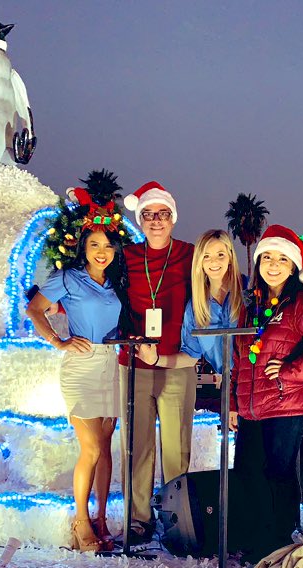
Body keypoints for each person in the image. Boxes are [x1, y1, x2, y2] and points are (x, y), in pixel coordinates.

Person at [229, 225, 303, 561]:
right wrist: (235, 405)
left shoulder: (300, 306)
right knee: (249, 472)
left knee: (277, 475)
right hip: (251, 408)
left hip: (284, 406)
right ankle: (256, 538)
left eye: (282, 259)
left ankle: (277, 541)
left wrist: (292, 373)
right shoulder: (251, 306)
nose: (273, 265)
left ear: (294, 267)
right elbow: (239, 358)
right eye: (267, 257)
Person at [25, 192, 130, 553]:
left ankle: (102, 520)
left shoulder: (118, 283)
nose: (102, 251)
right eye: (95, 244)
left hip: (112, 363)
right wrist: (59, 341)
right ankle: (80, 521)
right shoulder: (67, 278)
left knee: (106, 447)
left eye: (108, 245)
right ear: (83, 246)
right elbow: (34, 309)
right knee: (89, 447)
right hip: (81, 366)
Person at [120, 181, 194, 544]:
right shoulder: (127, 256)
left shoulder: (191, 255)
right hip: (134, 364)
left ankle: (177, 519)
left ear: (173, 218)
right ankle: (138, 520)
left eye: (162, 214)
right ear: (140, 220)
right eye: (147, 215)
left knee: (176, 448)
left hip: (177, 363)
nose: (155, 221)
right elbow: (108, 295)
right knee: (138, 443)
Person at [137, 229, 245, 377]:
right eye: (206, 256)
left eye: (220, 255)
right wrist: (155, 360)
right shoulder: (196, 307)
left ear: (230, 257)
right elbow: (190, 356)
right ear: (199, 262)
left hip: (259, 382)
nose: (214, 261)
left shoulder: (249, 293)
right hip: (228, 386)